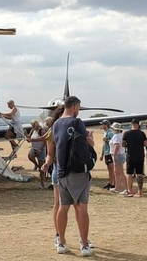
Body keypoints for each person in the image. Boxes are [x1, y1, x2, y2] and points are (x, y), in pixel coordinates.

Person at [49, 96, 94, 256]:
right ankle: (84, 244)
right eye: (79, 107)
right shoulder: (77, 122)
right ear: (74, 106)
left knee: (63, 206)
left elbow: (54, 144)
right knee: (81, 207)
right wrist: (91, 139)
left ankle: (61, 242)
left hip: (61, 172)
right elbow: (88, 143)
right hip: (78, 171)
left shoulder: (55, 124)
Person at [40, 106, 65, 248]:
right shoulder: (52, 131)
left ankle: (82, 237)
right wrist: (46, 164)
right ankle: (58, 234)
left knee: (78, 205)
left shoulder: (75, 126)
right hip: (59, 169)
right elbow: (50, 154)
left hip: (72, 170)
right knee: (59, 203)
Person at [122, 119, 147, 197]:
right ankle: (140, 191)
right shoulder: (142, 133)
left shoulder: (126, 133)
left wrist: (129, 145)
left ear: (131, 124)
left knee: (129, 173)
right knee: (139, 173)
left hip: (130, 155)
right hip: (140, 155)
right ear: (138, 124)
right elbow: (146, 144)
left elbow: (123, 144)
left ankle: (130, 190)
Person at [26, 120, 46, 188]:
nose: (32, 126)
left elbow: (44, 140)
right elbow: (29, 137)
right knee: (30, 156)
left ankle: (42, 183)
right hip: (34, 148)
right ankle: (36, 164)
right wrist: (26, 136)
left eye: (33, 125)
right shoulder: (32, 130)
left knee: (41, 167)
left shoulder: (41, 130)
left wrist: (40, 149)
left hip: (40, 149)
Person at [109, 122, 127, 194]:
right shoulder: (121, 135)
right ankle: (117, 188)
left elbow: (117, 146)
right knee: (116, 172)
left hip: (118, 155)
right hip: (121, 154)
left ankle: (127, 188)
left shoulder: (116, 136)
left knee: (120, 173)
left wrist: (114, 155)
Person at [100, 119, 115, 189]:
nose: (101, 125)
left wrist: (107, 140)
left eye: (103, 124)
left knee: (111, 169)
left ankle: (114, 183)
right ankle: (110, 182)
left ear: (106, 125)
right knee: (109, 169)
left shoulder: (110, 133)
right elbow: (104, 144)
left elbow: (114, 142)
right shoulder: (105, 133)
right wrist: (102, 155)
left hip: (110, 153)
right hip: (106, 153)